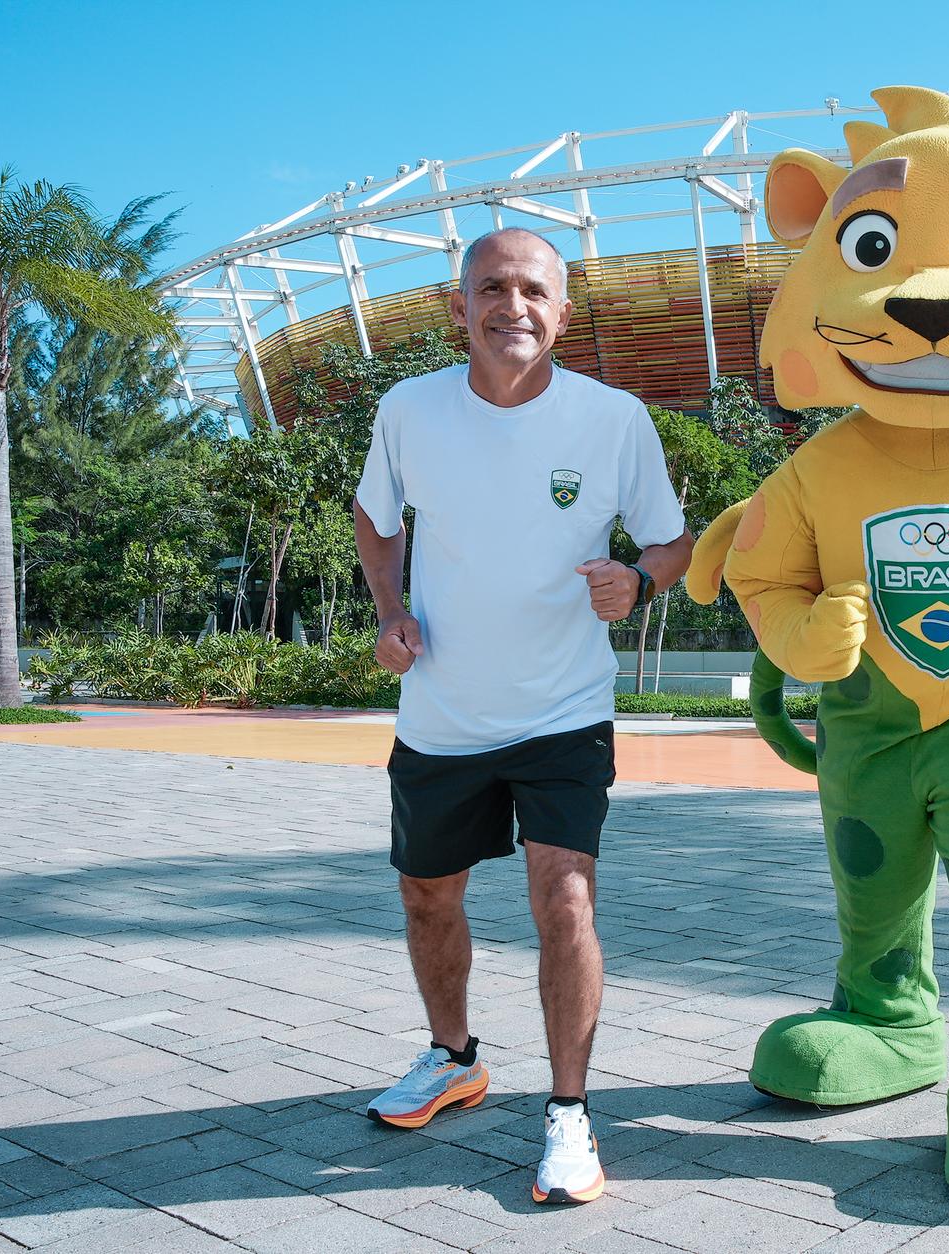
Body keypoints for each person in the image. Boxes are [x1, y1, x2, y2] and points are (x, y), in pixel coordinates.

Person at [352, 227, 691, 1205]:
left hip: (563, 711)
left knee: (566, 901)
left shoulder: (613, 420)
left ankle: (571, 1119)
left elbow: (669, 542)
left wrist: (635, 578)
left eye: (534, 290)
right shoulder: (409, 411)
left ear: (563, 311)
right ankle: (454, 1057)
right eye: (491, 287)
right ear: (457, 307)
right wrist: (391, 613)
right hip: (443, 715)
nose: (514, 307)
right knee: (428, 897)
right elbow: (377, 518)